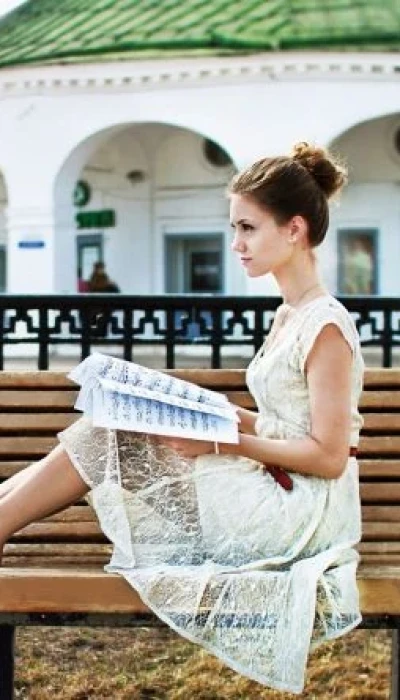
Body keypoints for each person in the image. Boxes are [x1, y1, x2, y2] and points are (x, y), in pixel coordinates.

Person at [0, 143, 364, 694]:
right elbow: (287, 423)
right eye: (234, 228)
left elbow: (329, 456)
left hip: (300, 514)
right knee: (108, 428)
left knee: (105, 436)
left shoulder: (325, 327)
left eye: (248, 228)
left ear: (294, 229)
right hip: (275, 486)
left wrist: (223, 443)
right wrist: (212, 412)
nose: (236, 244)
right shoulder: (291, 314)